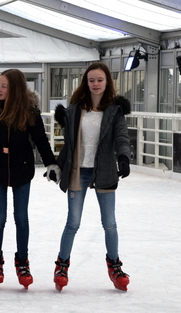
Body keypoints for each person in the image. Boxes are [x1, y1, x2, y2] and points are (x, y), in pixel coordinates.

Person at [0, 69, 60, 290]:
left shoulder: (29, 110)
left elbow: (40, 140)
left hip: (22, 168)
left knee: (21, 218)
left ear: (15, 88)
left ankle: (22, 262)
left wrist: (51, 164)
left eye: (4, 86)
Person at [52, 62, 131, 292]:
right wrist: (58, 166)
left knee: (109, 223)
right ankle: (61, 266)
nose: (95, 84)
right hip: (79, 170)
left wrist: (124, 158)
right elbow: (68, 144)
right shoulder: (76, 109)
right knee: (73, 222)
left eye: (100, 80)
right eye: (91, 80)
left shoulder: (115, 110)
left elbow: (122, 137)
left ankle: (114, 266)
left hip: (104, 170)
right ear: (86, 83)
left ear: (107, 82)